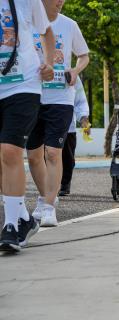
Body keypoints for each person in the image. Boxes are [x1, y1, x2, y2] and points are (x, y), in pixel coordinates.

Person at [27, 0, 89, 228]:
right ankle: (45, 199)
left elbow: (84, 56)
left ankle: (49, 207)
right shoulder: (27, 23)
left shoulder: (69, 25)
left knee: (53, 152)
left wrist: (75, 70)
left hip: (61, 100)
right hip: (31, 97)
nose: (60, 1)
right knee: (34, 156)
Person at [0, 0, 56, 252]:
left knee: (10, 152)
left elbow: (46, 31)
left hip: (23, 85)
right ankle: (23, 217)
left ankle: (10, 224)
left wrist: (50, 63)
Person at [59, 77, 90, 196]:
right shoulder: (40, 68)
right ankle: (50, 184)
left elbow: (80, 100)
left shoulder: (72, 75)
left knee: (67, 158)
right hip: (45, 123)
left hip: (68, 126)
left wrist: (84, 120)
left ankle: (65, 184)